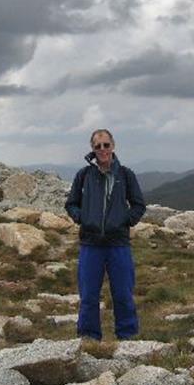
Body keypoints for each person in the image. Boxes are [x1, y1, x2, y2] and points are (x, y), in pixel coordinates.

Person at [65, 129, 146, 340]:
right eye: (97, 146)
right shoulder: (84, 175)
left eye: (106, 145)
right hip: (91, 244)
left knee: (122, 294)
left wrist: (125, 221)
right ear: (92, 149)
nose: (102, 150)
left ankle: (127, 336)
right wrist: (82, 218)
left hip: (118, 243)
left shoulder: (125, 174)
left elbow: (138, 204)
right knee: (89, 296)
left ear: (113, 146)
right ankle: (89, 337)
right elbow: (71, 203)